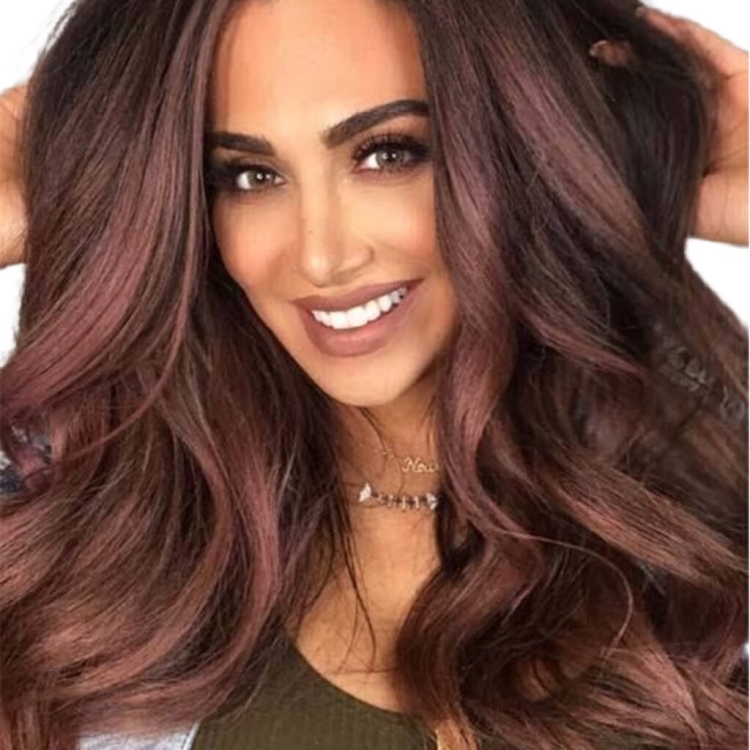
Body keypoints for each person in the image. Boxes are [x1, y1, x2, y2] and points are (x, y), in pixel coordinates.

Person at [0, 0, 747, 748]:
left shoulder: (705, 524)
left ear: (527, 140)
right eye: (252, 175)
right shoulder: (94, 565)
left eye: (388, 154)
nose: (322, 257)